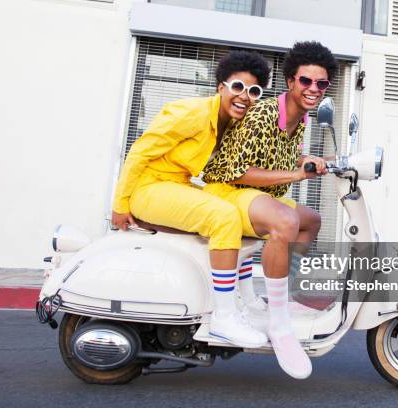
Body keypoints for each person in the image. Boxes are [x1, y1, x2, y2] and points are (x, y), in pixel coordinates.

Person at [111, 51, 271, 348]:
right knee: (223, 216)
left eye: (253, 91)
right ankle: (224, 317)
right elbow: (140, 153)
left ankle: (245, 298)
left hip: (177, 185)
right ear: (221, 87)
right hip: (150, 188)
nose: (244, 96)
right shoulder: (192, 112)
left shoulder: (234, 125)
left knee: (241, 209)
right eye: (237, 86)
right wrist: (120, 205)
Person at [202, 41, 338, 379]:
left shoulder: (301, 118)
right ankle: (279, 325)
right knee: (286, 220)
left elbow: (288, 156)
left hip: (262, 195)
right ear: (291, 81)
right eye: (306, 81)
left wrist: (316, 161)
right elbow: (238, 170)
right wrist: (297, 172)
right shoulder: (263, 113)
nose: (313, 89)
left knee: (311, 222)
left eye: (321, 84)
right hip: (230, 190)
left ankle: (282, 295)